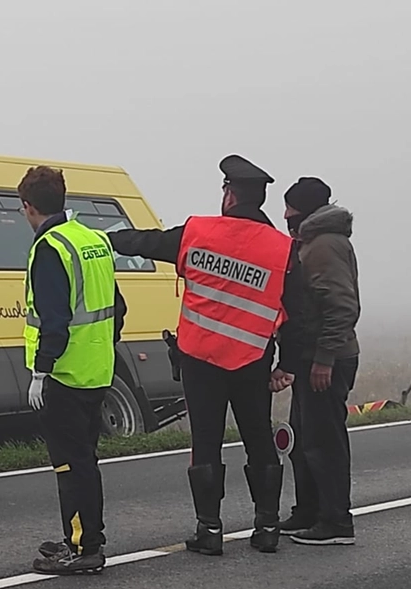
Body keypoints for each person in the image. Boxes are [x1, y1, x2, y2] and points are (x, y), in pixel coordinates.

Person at [107, 155, 302, 556]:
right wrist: (288, 365)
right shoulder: (284, 250)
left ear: (230, 195)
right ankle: (267, 527)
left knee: (206, 443)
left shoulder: (198, 233)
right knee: (260, 440)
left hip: (200, 360)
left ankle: (209, 530)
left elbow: (146, 242)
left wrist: (105, 240)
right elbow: (300, 314)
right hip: (253, 361)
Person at [19, 165, 128, 575]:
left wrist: (40, 372)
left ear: (28, 207)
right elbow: (117, 308)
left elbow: (54, 319)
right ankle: (80, 537)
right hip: (96, 370)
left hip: (63, 375)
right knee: (85, 459)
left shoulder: (49, 248)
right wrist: (103, 347)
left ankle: (85, 547)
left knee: (70, 464)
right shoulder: (92, 241)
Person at [277, 178, 361, 545]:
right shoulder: (313, 243)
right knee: (304, 436)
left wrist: (324, 358)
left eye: (290, 210)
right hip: (312, 356)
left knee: (323, 440)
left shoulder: (324, 246)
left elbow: (341, 307)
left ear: (307, 211)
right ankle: (308, 510)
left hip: (327, 358)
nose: (285, 216)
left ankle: (335, 520)